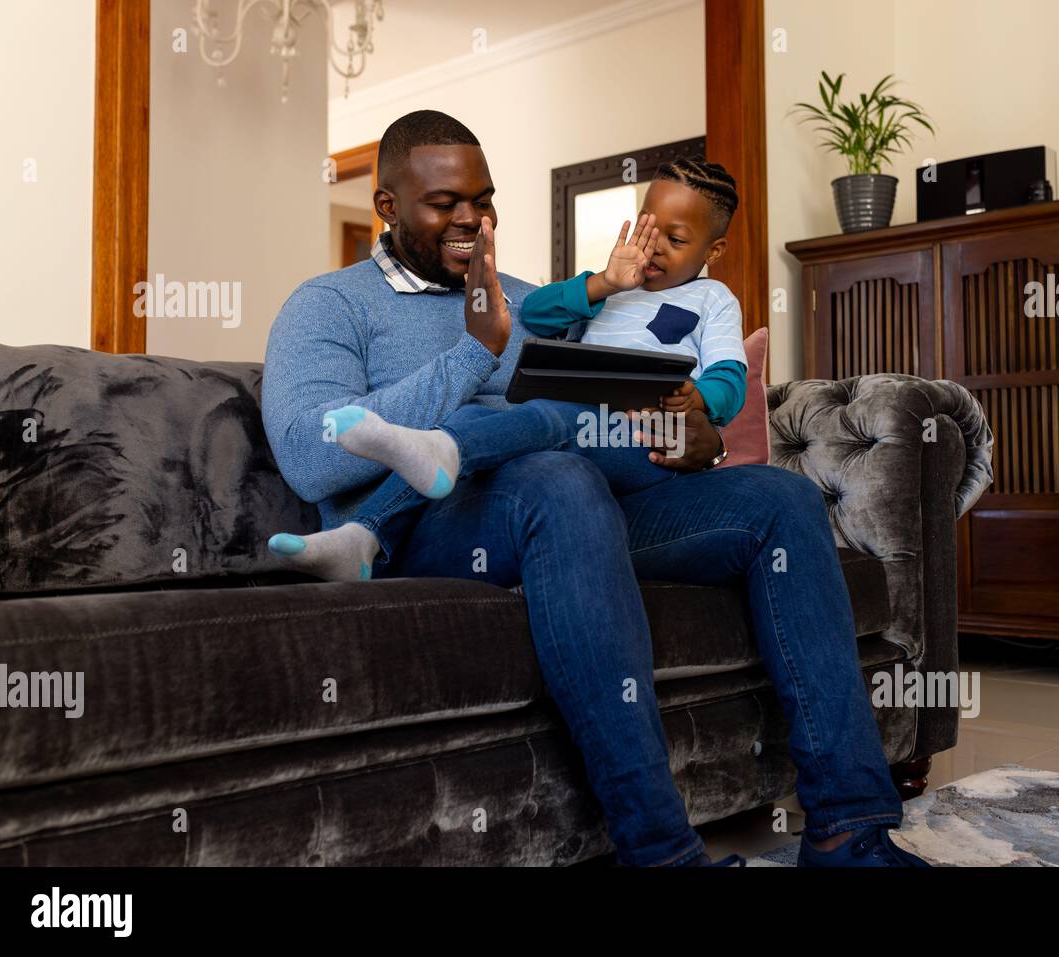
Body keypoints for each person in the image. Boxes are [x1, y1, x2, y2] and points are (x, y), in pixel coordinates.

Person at [260, 109, 928, 867]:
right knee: (556, 475)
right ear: (387, 208)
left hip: (584, 512)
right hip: (437, 528)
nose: (472, 220)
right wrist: (472, 355)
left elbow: (601, 404)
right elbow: (311, 461)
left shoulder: (536, 298)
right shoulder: (328, 304)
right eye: (445, 203)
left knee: (786, 500)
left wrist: (695, 438)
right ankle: (660, 852)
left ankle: (849, 828)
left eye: (483, 200)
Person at [267, 158, 748, 579]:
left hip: (638, 440)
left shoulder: (711, 299)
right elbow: (536, 313)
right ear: (388, 207)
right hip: (572, 446)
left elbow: (730, 378)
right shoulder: (614, 290)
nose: (655, 247)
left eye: (482, 202)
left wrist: (703, 409)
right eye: (649, 229)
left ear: (714, 250)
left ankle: (441, 450)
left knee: (548, 419)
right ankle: (367, 533)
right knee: (477, 419)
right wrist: (603, 282)